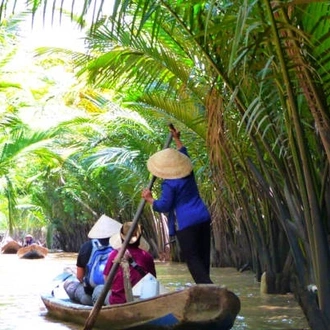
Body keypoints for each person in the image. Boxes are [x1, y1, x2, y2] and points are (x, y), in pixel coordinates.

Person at [142, 127, 213, 284]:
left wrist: (150, 199)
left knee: (192, 258)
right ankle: (207, 288)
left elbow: (164, 206)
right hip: (202, 217)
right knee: (203, 257)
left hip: (186, 223)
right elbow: (183, 152)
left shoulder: (169, 184)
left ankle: (208, 289)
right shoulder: (188, 172)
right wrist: (176, 138)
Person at [93, 221, 156, 305]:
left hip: (117, 302)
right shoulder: (147, 256)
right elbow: (152, 280)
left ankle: (102, 314)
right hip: (141, 302)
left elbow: (107, 279)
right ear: (139, 238)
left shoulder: (114, 254)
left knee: (98, 290)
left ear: (121, 237)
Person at [64, 214, 121, 305]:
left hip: (90, 292)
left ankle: (88, 301)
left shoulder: (86, 247)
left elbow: (79, 277)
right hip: (115, 291)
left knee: (68, 284)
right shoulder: (120, 247)